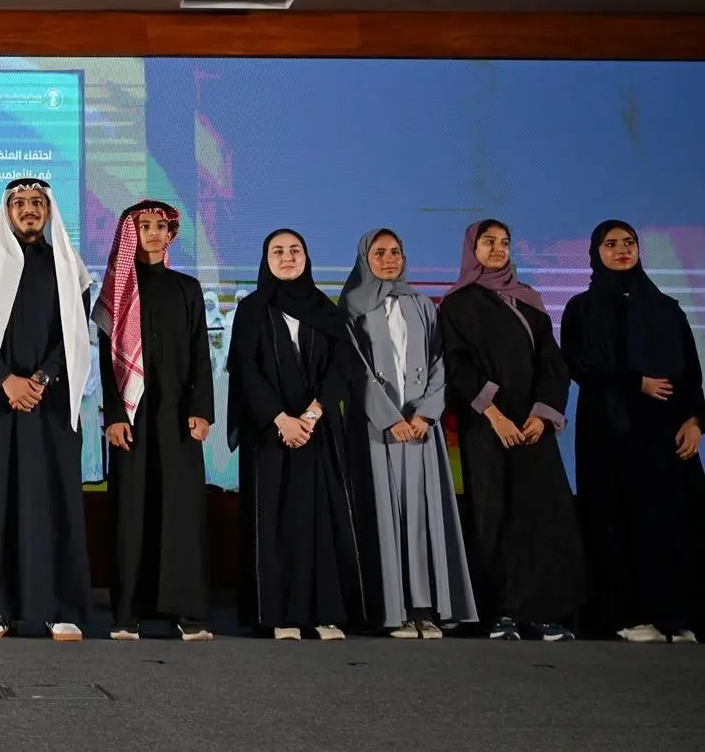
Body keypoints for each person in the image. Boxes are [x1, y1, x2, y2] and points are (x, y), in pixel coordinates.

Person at [0, 178, 95, 642]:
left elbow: (74, 332)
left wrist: (40, 378)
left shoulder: (68, 266)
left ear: (50, 211)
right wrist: (5, 380)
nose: (29, 209)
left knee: (51, 499)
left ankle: (58, 607)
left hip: (50, 403)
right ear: (7, 211)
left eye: (37, 202)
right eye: (20, 202)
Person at [439, 219, 584, 642]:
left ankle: (543, 611)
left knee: (541, 514)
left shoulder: (529, 299)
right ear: (472, 248)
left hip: (532, 425)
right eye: (488, 242)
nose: (498, 249)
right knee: (494, 514)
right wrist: (494, 415)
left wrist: (542, 414)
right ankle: (500, 612)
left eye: (504, 242)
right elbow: (457, 365)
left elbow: (552, 363)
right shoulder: (458, 303)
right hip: (487, 427)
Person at [561, 219, 703, 643]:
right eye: (611, 244)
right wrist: (635, 382)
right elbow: (578, 364)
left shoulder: (666, 309)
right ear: (595, 252)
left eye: (629, 242)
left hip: (665, 435)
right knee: (617, 522)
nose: (622, 250)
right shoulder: (582, 308)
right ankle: (626, 616)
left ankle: (676, 615)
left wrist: (696, 421)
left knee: (672, 523)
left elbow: (690, 373)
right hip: (610, 434)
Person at [227, 229, 365, 641]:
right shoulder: (252, 309)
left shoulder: (325, 309)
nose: (287, 258)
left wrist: (311, 414)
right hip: (270, 434)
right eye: (278, 251)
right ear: (265, 259)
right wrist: (280, 419)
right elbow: (246, 370)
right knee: (275, 520)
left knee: (320, 519)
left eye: (294, 250)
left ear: (306, 257)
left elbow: (341, 366)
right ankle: (278, 615)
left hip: (318, 430)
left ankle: (324, 613)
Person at [340, 229, 476, 639]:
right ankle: (390, 610)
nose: (388, 259)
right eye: (379, 253)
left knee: (422, 516)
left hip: (419, 431)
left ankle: (423, 608)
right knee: (382, 517)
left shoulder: (422, 305)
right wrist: (389, 417)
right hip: (376, 429)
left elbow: (439, 364)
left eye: (395, 252)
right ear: (365, 258)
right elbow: (354, 367)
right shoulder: (352, 306)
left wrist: (426, 415)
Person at [95, 201, 216, 642]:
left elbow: (200, 353)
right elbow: (106, 363)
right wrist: (113, 416)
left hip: (179, 418)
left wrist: (202, 410)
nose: (152, 233)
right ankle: (129, 614)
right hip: (131, 418)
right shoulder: (116, 291)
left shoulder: (188, 288)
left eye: (160, 226)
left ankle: (187, 613)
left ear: (170, 234)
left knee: (181, 512)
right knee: (132, 512)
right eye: (142, 226)